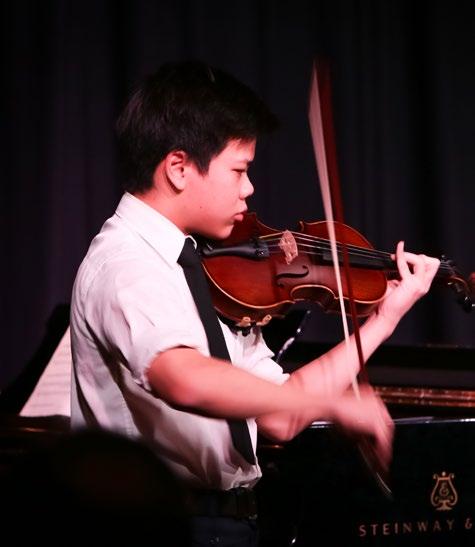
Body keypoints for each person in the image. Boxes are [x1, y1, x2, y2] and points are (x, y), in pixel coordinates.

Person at [70, 60, 440, 546]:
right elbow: (183, 378)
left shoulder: (203, 268)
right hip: (159, 526)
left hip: (229, 524)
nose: (249, 188)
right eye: (239, 170)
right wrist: (330, 402)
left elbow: (280, 417)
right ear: (179, 168)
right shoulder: (126, 263)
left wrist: (383, 320)